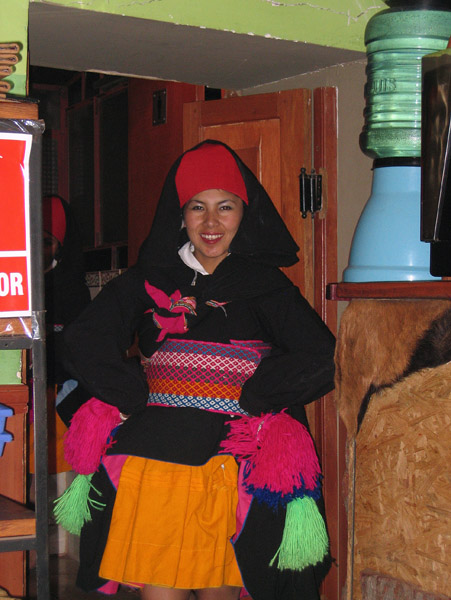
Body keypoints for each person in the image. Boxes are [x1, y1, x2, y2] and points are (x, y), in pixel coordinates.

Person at [57, 140, 336, 600]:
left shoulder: (263, 285)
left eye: (225, 207)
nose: (211, 223)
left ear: (244, 213)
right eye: (197, 208)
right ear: (180, 215)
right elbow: (84, 338)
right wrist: (130, 393)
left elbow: (320, 354)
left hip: (230, 464)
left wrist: (257, 396)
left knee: (219, 592)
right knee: (159, 593)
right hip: (158, 459)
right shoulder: (150, 279)